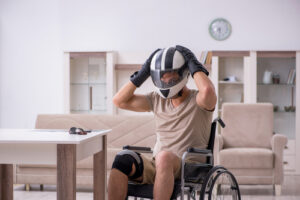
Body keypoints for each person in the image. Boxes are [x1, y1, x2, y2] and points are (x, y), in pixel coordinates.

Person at [108, 45, 217, 200]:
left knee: (164, 157)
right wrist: (142, 73)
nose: (166, 81)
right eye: (162, 77)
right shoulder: (156, 99)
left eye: (171, 76)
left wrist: (193, 63)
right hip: (158, 164)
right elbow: (118, 101)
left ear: (183, 73)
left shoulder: (199, 100)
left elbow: (208, 91)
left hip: (189, 165)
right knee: (122, 158)